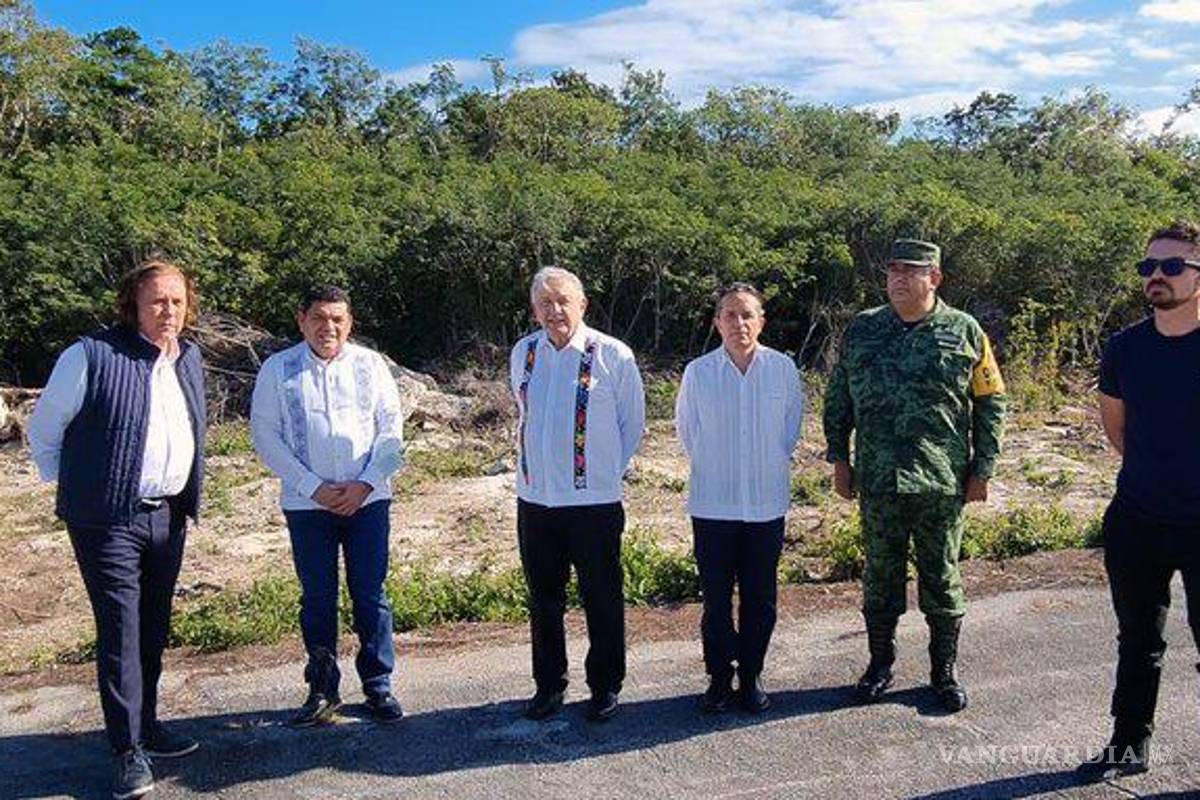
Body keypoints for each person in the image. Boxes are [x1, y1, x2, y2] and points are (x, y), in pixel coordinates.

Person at [28, 259, 207, 800]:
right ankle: (126, 751)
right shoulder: (90, 355)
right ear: (132, 303)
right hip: (107, 521)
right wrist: (84, 492)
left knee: (153, 627)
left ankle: (148, 725)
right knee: (122, 631)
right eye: (157, 301)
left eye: (177, 301)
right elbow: (44, 431)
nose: (168, 311)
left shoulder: (189, 357)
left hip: (168, 514)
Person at [823, 238, 1006, 713]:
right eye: (893, 271)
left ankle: (943, 672)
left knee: (941, 577)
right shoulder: (863, 330)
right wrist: (839, 459)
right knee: (880, 576)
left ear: (935, 278)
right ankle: (879, 665)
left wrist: (982, 468)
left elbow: (990, 402)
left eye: (911, 270)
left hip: (941, 481)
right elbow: (839, 395)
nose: (899, 279)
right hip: (879, 480)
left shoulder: (965, 330)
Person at [251, 285, 405, 727]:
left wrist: (366, 484)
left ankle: (378, 686)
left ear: (350, 323)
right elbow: (266, 435)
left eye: (338, 319)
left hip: (368, 500)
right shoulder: (278, 370)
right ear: (301, 320)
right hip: (307, 505)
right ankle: (322, 687)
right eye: (319, 317)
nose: (328, 327)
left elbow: (391, 431)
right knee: (318, 597)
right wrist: (312, 487)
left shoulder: (371, 366)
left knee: (371, 594)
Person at [1079, 220, 1200, 779]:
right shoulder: (1124, 347)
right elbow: (1118, 433)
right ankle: (1128, 745)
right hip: (1138, 519)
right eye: (1148, 267)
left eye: (1172, 267)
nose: (1156, 276)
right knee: (1138, 642)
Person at [510, 266, 645, 722]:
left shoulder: (613, 355)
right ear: (534, 309)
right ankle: (549, 686)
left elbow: (633, 427)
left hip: (593, 505)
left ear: (582, 304)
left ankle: (605, 685)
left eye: (563, 300)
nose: (555, 310)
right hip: (536, 502)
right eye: (545, 303)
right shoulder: (523, 354)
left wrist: (600, 475)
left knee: (601, 596)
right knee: (544, 600)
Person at [674, 283, 803, 713]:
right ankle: (717, 679)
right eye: (729, 315)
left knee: (760, 598)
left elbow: (789, 431)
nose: (739, 323)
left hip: (766, 504)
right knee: (715, 600)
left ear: (761, 321)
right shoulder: (698, 373)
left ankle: (751, 677)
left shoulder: (783, 370)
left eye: (747, 314)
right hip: (713, 505)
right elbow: (688, 434)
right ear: (716, 323)